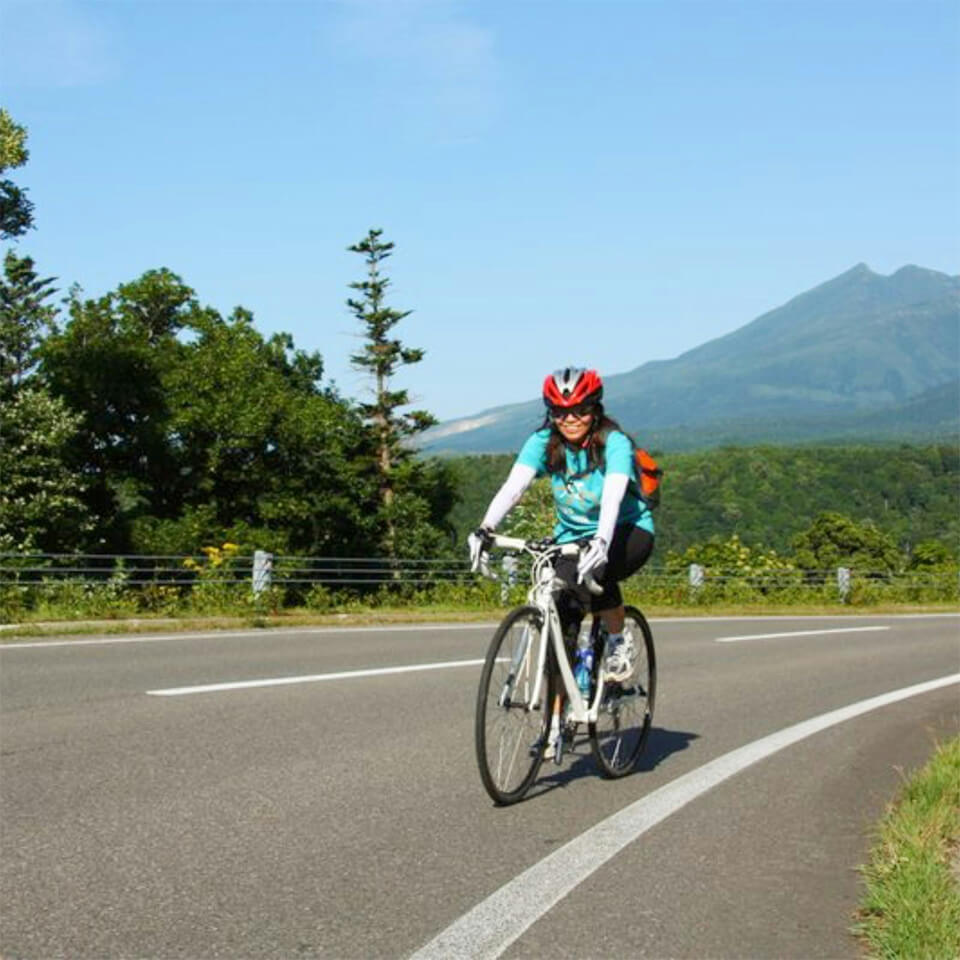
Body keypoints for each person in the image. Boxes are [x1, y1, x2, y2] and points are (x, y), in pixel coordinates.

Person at [468, 366, 654, 682]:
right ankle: (558, 722)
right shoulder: (543, 442)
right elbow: (513, 488)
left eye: (579, 411)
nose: (570, 419)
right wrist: (485, 528)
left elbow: (612, 496)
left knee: (597, 572)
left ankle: (617, 640)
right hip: (572, 537)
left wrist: (602, 541)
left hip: (627, 529)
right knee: (562, 609)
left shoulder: (614, 443)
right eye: (560, 412)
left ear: (595, 409)